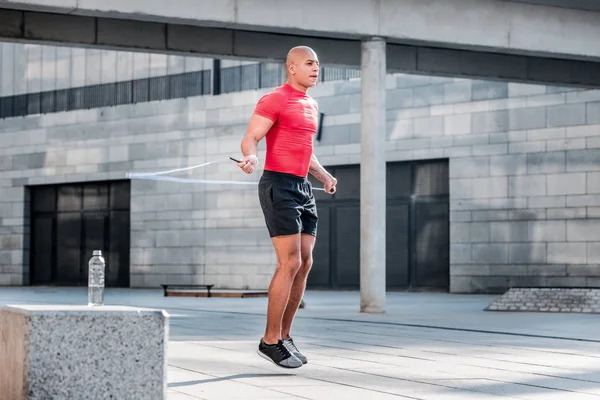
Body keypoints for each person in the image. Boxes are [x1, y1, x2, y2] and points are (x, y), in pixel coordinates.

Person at [236, 46, 337, 368]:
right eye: (309, 64)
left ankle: (284, 336)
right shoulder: (275, 99)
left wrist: (323, 175)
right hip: (278, 185)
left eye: (318, 64)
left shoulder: (311, 103)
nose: (315, 69)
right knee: (289, 262)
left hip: (303, 187)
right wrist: (251, 156)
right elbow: (251, 137)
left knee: (305, 262)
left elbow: (304, 150)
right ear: (291, 67)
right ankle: (269, 340)